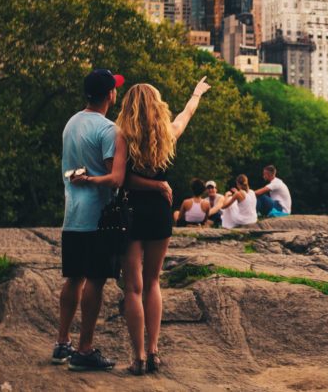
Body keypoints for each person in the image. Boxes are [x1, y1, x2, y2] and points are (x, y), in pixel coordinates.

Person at [77, 76, 211, 375]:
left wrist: (151, 185)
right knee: (153, 283)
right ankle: (154, 352)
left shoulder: (122, 135)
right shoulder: (167, 134)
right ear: (157, 106)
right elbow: (185, 114)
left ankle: (137, 357)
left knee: (133, 289)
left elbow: (120, 178)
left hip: (131, 213)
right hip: (160, 214)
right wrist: (196, 93)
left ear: (129, 107)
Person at [53, 69, 122, 372]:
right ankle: (85, 349)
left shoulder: (71, 123)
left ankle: (62, 342)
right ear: (110, 94)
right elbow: (112, 179)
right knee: (95, 280)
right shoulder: (109, 130)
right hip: (98, 217)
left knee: (73, 278)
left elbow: (70, 170)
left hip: (72, 214)